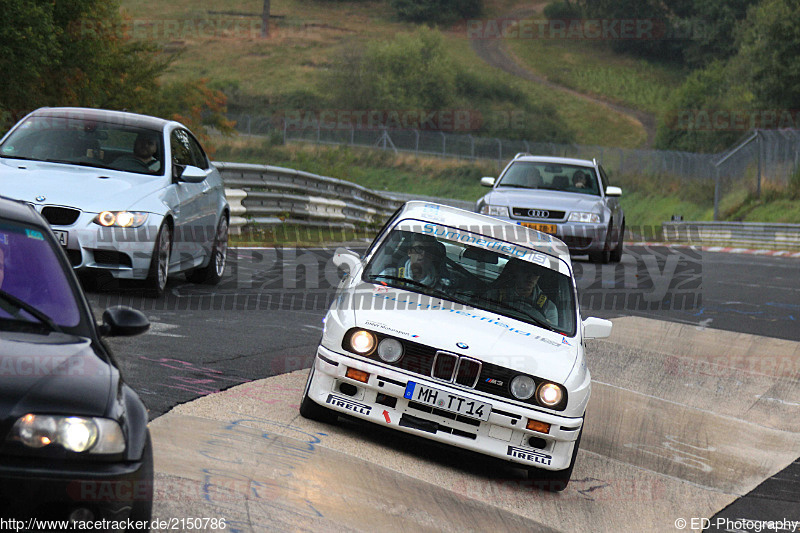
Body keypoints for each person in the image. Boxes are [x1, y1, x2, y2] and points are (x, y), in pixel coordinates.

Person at [484, 258, 558, 325]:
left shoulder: (548, 307)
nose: (530, 277)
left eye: (536, 273)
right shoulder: (494, 295)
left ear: (539, 277)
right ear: (517, 272)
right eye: (526, 271)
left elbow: (552, 332)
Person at [380, 234, 446, 289]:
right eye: (419, 249)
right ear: (409, 252)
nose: (423, 253)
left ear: (432, 257)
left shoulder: (440, 287)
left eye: (428, 250)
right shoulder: (389, 276)